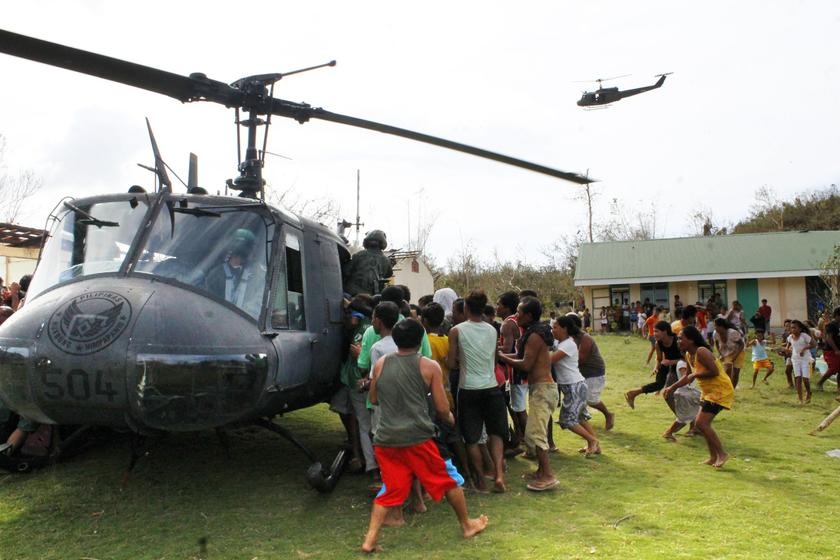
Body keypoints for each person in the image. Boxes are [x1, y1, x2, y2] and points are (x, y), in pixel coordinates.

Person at [362, 319, 487, 553]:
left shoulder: (380, 363)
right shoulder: (429, 366)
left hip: (386, 439)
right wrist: (450, 419)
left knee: (390, 488)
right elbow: (441, 408)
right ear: (420, 340)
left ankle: (370, 540)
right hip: (417, 438)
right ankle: (467, 525)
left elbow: (375, 399)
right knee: (449, 479)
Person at [446, 290, 507, 493]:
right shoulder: (492, 330)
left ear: (466, 308)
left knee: (471, 437)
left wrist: (461, 363)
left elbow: (450, 362)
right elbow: (493, 358)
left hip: (468, 388)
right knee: (496, 433)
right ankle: (499, 475)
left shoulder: (457, 330)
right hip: (491, 387)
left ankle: (480, 480)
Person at [497, 297, 559, 491]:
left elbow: (525, 364)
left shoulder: (534, 336)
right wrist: (501, 355)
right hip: (540, 388)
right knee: (535, 432)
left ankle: (548, 475)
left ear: (529, 315)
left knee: (535, 433)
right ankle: (541, 470)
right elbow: (522, 356)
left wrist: (501, 358)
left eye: (520, 312)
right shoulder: (533, 333)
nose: (517, 315)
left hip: (543, 389)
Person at [664, 326, 734, 468]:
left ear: (691, 339)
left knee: (702, 424)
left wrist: (695, 374)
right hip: (708, 392)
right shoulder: (690, 355)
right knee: (700, 424)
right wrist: (672, 387)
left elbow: (713, 371)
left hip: (720, 390)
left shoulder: (702, 351)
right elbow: (687, 377)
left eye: (680, 338)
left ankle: (722, 454)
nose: (678, 341)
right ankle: (713, 456)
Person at [329, 294, 375, 474]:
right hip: (364, 382)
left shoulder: (360, 332)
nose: (346, 320)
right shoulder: (375, 327)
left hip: (359, 382)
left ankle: (371, 465)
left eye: (348, 315)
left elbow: (362, 362)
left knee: (365, 425)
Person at [550, 316, 600, 456]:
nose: (552, 330)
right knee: (580, 418)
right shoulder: (559, 343)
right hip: (573, 387)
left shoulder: (568, 344)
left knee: (568, 420)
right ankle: (596, 445)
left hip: (574, 387)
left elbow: (550, 359)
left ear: (564, 329)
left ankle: (592, 440)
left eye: (555, 327)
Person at [567, 313, 615, 431]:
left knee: (591, 399)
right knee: (578, 397)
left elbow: (581, 359)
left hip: (594, 373)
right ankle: (577, 418)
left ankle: (608, 414)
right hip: (582, 373)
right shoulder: (572, 338)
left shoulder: (585, 338)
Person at [204, 228, 265, 317]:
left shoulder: (258, 275)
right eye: (250, 249)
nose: (252, 253)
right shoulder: (216, 274)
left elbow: (259, 306)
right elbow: (208, 305)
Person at [625, 321, 681, 412]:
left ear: (665, 331)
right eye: (654, 331)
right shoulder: (658, 344)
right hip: (666, 364)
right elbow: (659, 359)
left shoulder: (677, 340)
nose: (654, 334)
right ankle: (633, 393)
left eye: (656, 331)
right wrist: (656, 367)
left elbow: (686, 359)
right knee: (658, 385)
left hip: (680, 366)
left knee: (679, 389)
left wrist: (671, 362)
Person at [495, 291, 525, 448]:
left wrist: (489, 346)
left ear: (506, 307)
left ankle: (524, 438)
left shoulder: (507, 323)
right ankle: (521, 436)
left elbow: (506, 349)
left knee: (516, 407)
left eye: (498, 304)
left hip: (512, 370)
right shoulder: (519, 319)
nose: (496, 308)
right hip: (522, 366)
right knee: (515, 406)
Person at [344, 230, 393, 296]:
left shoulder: (359, 255)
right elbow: (388, 274)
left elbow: (346, 271)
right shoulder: (386, 260)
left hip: (353, 293)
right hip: (371, 296)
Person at [661, 358, 701, 441]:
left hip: (690, 391)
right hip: (686, 392)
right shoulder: (682, 363)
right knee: (683, 418)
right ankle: (668, 433)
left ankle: (693, 429)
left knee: (696, 411)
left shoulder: (688, 362)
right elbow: (686, 378)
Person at [788, 320, 816, 404]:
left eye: (794, 328)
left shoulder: (804, 336)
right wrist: (784, 351)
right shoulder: (790, 337)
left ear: (800, 329)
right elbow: (788, 347)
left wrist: (804, 349)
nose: (792, 329)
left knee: (805, 378)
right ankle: (800, 399)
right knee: (798, 378)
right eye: (791, 328)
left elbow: (814, 344)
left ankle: (808, 392)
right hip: (795, 359)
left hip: (805, 359)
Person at [713, 317, 746, 388]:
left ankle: (732, 390)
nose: (714, 328)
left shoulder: (732, 333)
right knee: (727, 370)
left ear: (721, 326)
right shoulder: (716, 333)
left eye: (716, 326)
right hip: (727, 352)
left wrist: (735, 356)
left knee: (735, 373)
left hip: (738, 351)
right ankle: (726, 388)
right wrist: (720, 354)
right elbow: (716, 342)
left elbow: (742, 344)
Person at [816, 307, 840, 393]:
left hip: (837, 350)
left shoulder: (838, 324)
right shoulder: (831, 325)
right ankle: (820, 382)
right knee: (833, 368)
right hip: (830, 350)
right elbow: (829, 338)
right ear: (837, 315)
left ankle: (838, 388)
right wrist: (836, 349)